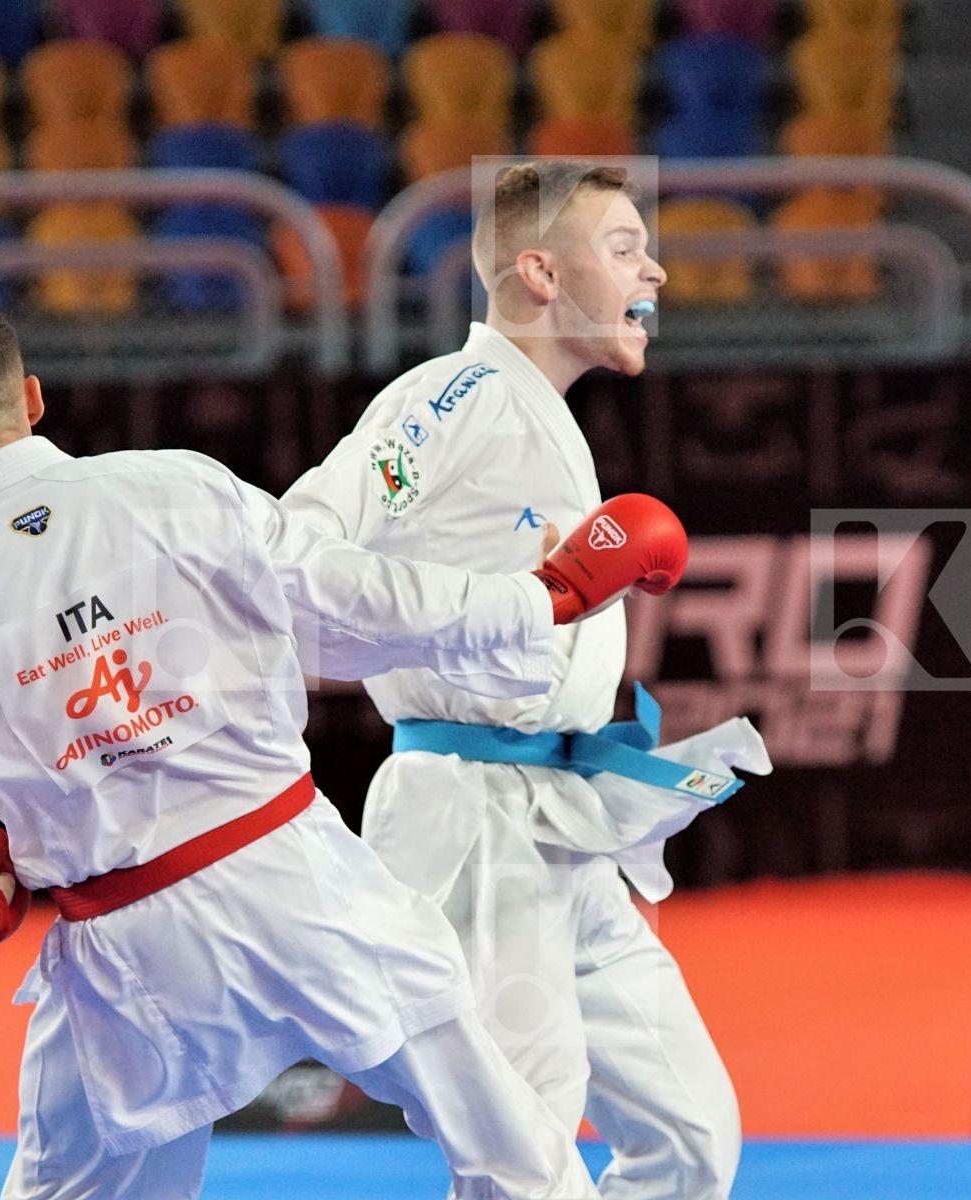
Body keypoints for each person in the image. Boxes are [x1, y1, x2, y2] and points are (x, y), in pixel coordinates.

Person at [0, 299, 687, 1199]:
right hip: (302, 882)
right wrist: (541, 601)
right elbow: (354, 599)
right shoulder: (179, 488)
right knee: (514, 1153)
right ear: (35, 399)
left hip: (126, 951)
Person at [282, 161, 770, 1198]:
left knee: (692, 1138)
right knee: (527, 1155)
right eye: (628, 248)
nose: (660, 272)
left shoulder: (539, 414)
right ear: (541, 273)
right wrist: (497, 609)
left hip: (567, 814)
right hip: (473, 822)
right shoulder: (450, 396)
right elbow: (299, 554)